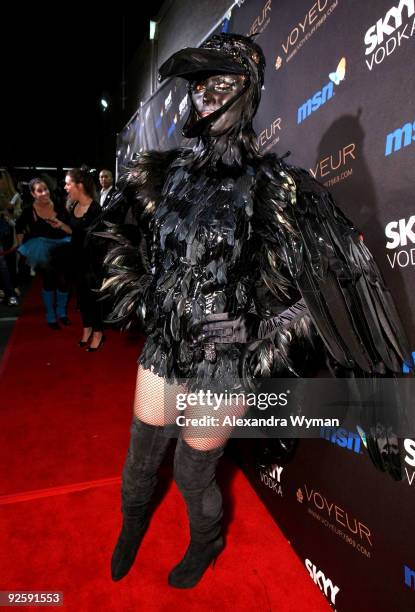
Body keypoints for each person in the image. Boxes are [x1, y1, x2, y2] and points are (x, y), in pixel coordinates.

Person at [101, 33, 410, 588]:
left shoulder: (277, 189)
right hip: (166, 344)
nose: (205, 97)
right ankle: (130, 525)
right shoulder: (164, 175)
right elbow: (127, 239)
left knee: (195, 475)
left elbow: (329, 292)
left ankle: (206, 543)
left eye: (221, 84)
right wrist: (146, 293)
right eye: (199, 86)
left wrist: (262, 325)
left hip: (225, 361)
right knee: (139, 459)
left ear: (250, 92)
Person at [49, 167, 105, 351]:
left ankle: (98, 333)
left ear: (79, 186)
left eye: (68, 183)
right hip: (77, 260)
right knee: (81, 298)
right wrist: (62, 225)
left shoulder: (96, 210)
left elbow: (100, 240)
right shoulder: (73, 206)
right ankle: (87, 328)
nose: (65, 187)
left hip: (92, 262)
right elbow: (75, 232)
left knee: (92, 298)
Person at [15, 178, 71, 327]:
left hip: (63, 245)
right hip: (41, 248)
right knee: (49, 281)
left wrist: (62, 225)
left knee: (64, 281)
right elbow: (19, 228)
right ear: (33, 194)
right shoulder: (28, 210)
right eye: (40, 191)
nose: (45, 193)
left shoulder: (59, 206)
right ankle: (50, 315)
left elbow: (69, 227)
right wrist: (23, 248)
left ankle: (62, 312)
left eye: (46, 189)